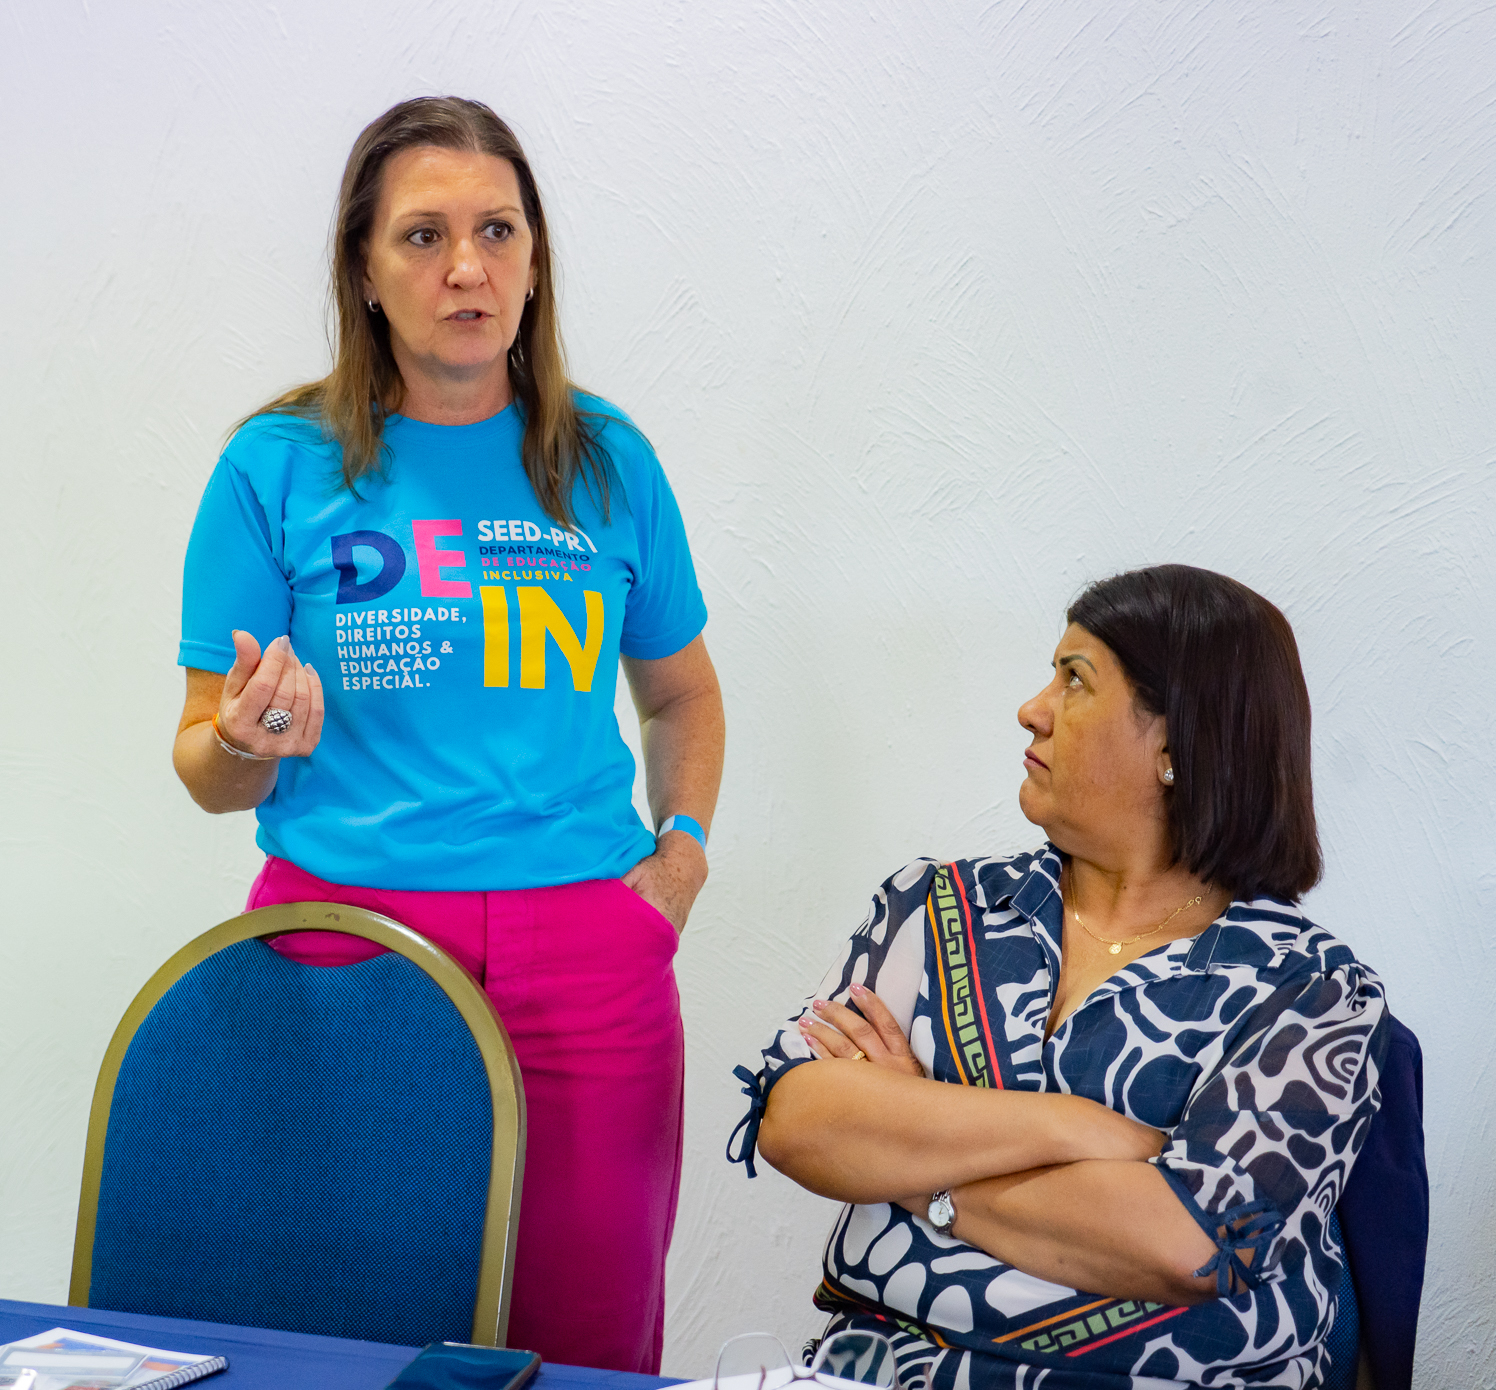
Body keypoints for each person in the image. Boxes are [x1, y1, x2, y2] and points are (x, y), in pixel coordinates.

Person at [172, 97, 724, 1374]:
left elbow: (683, 695)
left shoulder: (605, 462)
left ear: (535, 263)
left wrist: (679, 857)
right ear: (364, 271)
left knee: (587, 1340)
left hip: (590, 953)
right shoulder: (278, 465)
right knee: (346, 1333)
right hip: (342, 947)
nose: (465, 268)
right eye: (422, 236)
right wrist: (247, 740)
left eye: (497, 232)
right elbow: (204, 763)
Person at [727, 565, 1385, 1389]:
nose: (1032, 708)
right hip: (882, 1371)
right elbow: (794, 1118)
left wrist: (916, 1164)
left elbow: (1188, 1246)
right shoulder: (937, 906)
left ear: (1179, 744)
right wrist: (1075, 1126)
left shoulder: (1311, 991)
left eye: (1074, 680)